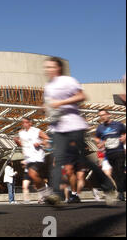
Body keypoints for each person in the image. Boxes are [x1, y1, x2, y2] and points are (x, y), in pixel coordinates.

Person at [43, 57, 117, 206]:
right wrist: (47, 109)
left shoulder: (68, 81)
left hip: (75, 126)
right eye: (46, 67)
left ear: (58, 68)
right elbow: (49, 106)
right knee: (58, 160)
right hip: (58, 128)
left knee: (82, 160)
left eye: (51, 67)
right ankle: (56, 195)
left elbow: (82, 96)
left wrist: (61, 103)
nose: (48, 70)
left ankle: (108, 188)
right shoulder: (48, 87)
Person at [14, 118, 50, 204]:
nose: (24, 124)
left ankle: (46, 193)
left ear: (30, 123)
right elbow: (22, 145)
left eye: (26, 122)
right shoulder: (21, 133)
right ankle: (45, 194)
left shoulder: (36, 131)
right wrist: (17, 142)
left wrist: (40, 143)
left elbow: (47, 139)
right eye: (22, 123)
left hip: (37, 157)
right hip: (28, 159)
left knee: (33, 175)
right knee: (35, 180)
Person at [94, 109, 126, 201]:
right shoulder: (100, 128)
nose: (102, 117)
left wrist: (124, 137)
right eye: (100, 116)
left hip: (119, 151)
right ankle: (120, 190)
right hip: (109, 153)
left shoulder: (118, 125)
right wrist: (100, 143)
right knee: (115, 173)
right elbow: (96, 138)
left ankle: (120, 193)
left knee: (120, 170)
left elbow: (125, 133)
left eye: (103, 115)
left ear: (109, 115)